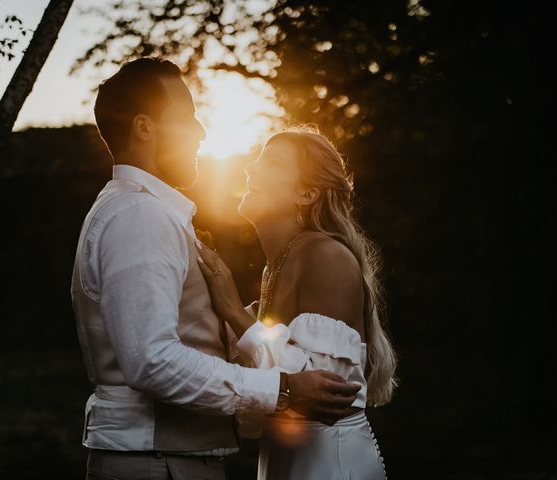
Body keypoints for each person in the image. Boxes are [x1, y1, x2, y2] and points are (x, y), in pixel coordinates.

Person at [70, 58, 362, 480]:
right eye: (187, 117)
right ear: (145, 127)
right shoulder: (140, 215)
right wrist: (281, 389)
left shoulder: (148, 212)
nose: (201, 132)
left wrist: (235, 318)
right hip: (158, 463)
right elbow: (151, 361)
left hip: (170, 459)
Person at [196, 126, 398, 480]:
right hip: (284, 459)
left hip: (329, 465)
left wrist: (231, 309)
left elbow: (323, 397)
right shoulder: (274, 266)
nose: (250, 168)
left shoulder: (325, 256)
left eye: (271, 161)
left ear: (307, 193)